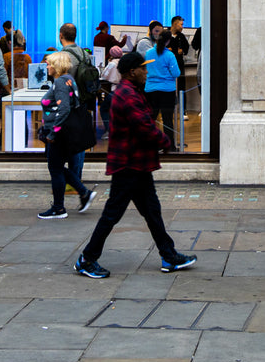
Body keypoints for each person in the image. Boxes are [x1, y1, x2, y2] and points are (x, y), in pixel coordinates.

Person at [73, 51, 196, 278]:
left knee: (152, 211)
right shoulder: (127, 95)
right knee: (112, 214)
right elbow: (143, 126)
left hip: (138, 164)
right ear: (132, 71)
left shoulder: (132, 92)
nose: (146, 72)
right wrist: (164, 141)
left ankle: (168, 255)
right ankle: (86, 259)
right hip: (128, 165)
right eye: (144, 68)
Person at [36, 51, 96, 220]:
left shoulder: (61, 83)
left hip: (59, 133)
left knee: (55, 168)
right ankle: (84, 193)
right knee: (58, 167)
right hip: (63, 132)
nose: (47, 66)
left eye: (49, 64)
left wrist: (53, 133)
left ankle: (58, 208)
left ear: (56, 66)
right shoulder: (68, 79)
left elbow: (64, 109)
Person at [143, 31, 182, 147]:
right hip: (167, 90)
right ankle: (169, 146)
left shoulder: (148, 53)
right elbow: (176, 73)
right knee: (167, 120)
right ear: (168, 40)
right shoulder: (169, 55)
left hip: (150, 89)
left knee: (151, 120)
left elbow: (145, 69)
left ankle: (148, 145)